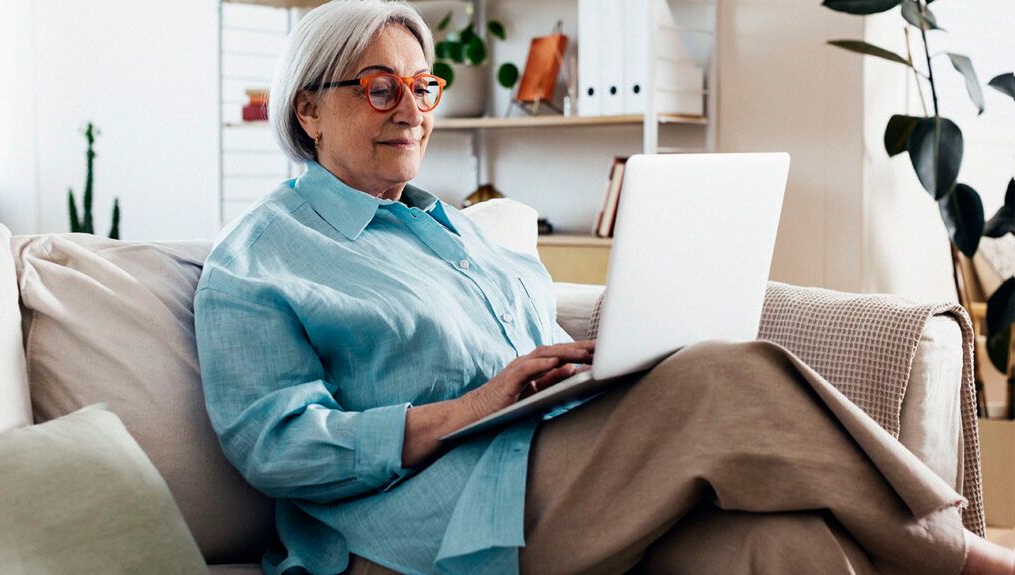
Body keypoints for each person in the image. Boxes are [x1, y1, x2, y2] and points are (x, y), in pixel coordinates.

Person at [193, 1, 1015, 574]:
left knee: (784, 545)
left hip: (554, 470)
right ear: (307, 110)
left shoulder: (457, 226)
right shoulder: (260, 260)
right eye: (380, 87)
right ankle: (968, 555)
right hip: (414, 532)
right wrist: (471, 409)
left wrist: (594, 369)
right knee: (724, 374)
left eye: (422, 85)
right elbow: (279, 447)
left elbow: (527, 365)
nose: (411, 107)